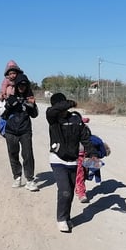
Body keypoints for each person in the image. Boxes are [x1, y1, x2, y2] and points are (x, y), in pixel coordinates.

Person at [46, 93, 98, 232]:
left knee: (70, 191)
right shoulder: (52, 118)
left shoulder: (75, 119)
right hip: (58, 160)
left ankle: (67, 217)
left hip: (74, 161)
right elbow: (53, 110)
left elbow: (86, 138)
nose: (60, 109)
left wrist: (93, 154)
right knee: (65, 191)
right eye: (58, 106)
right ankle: (61, 219)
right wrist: (71, 102)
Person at [0, 73, 39, 191]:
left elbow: (35, 115)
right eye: (20, 85)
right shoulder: (11, 98)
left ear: (27, 86)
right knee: (13, 154)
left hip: (25, 130)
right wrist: (10, 105)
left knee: (28, 155)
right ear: (16, 86)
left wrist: (32, 105)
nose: (22, 87)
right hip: (11, 130)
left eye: (24, 85)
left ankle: (30, 180)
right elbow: (4, 115)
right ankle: (17, 177)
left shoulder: (30, 98)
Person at [75, 117, 110, 203]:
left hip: (85, 155)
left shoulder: (85, 132)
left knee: (82, 174)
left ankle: (80, 191)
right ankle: (80, 191)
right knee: (80, 174)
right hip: (76, 155)